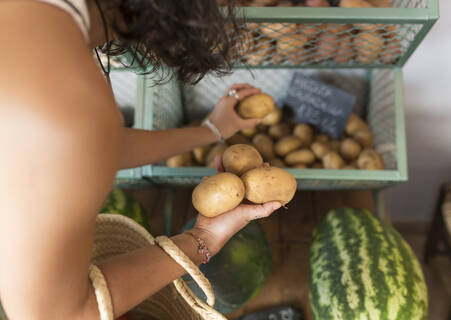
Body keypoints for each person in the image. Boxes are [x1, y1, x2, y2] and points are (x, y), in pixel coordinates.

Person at [0, 0, 282, 318]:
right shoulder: (69, 111)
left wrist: (211, 130)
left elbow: (96, 147)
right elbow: (54, 315)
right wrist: (202, 239)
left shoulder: (36, 27)